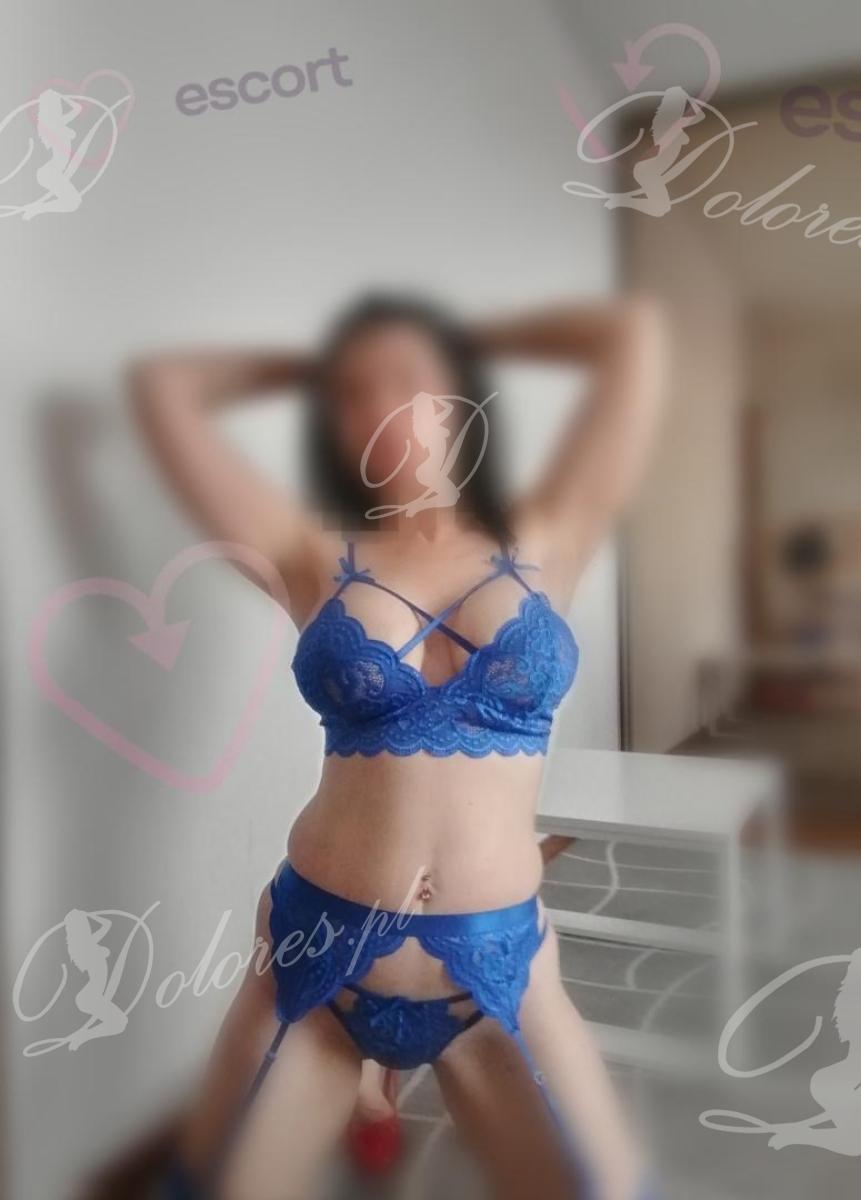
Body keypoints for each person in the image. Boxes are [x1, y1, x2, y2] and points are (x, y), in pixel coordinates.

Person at [131, 291, 665, 1199]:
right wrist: (307, 364)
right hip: (315, 959)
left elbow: (633, 335)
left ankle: (372, 1100)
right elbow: (164, 388)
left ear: (457, 396)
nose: (380, 403)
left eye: (408, 378)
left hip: (497, 970)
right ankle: (364, 1095)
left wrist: (466, 330)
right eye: (352, 393)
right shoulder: (309, 554)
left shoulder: (549, 534)